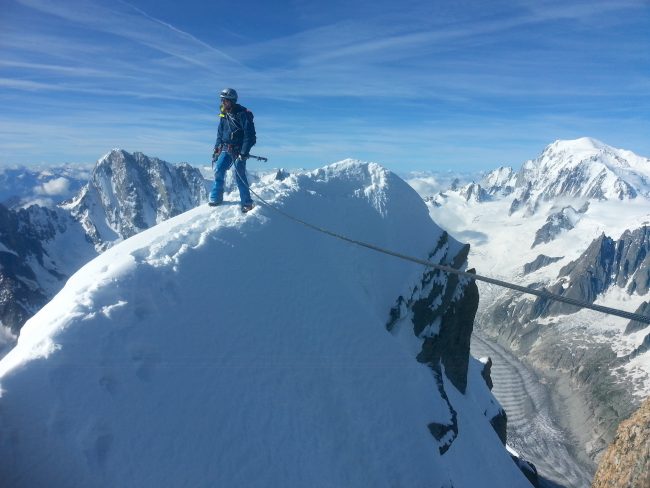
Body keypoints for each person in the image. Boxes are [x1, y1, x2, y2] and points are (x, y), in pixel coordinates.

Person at [209, 88, 257, 212]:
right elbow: (220, 133)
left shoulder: (242, 114)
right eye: (222, 100)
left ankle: (247, 203)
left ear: (232, 101)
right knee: (219, 169)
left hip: (239, 150)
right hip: (226, 147)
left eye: (225, 100)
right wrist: (216, 148)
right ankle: (216, 197)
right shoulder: (224, 114)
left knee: (239, 175)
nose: (222, 103)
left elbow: (249, 135)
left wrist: (244, 152)